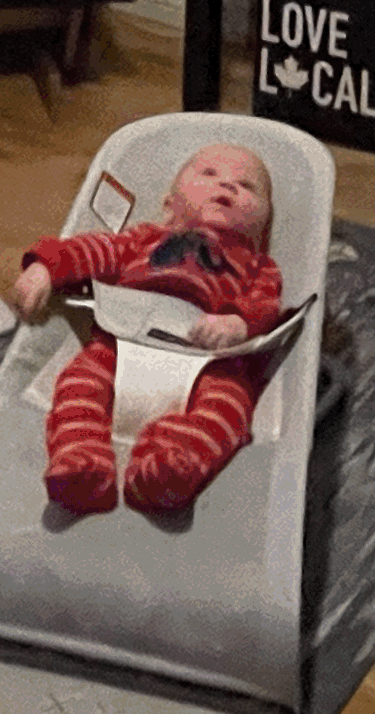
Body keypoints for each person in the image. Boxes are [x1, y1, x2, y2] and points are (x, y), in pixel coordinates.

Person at [16, 143, 284, 515]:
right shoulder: (144, 239)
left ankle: (173, 463)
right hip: (122, 342)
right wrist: (46, 267)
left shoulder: (258, 264)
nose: (228, 186)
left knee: (231, 406)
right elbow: (95, 248)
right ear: (168, 204)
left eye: (248, 186)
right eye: (209, 175)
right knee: (78, 381)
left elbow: (264, 304)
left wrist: (237, 323)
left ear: (263, 224)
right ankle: (81, 460)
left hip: (206, 358)